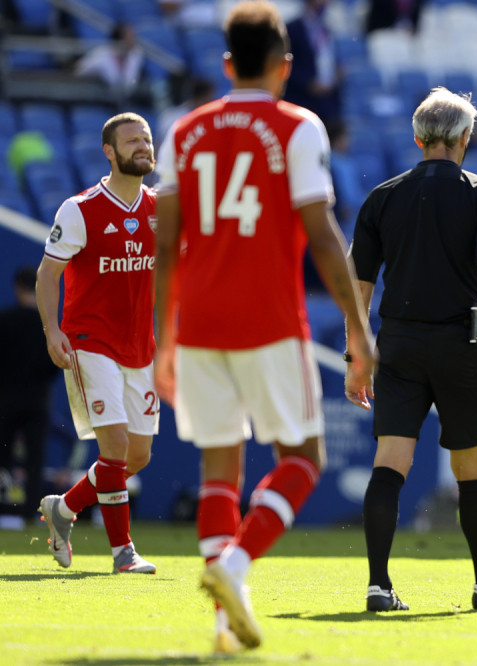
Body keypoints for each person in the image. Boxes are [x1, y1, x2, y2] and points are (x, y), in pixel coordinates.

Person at [153, 1, 376, 652]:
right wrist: (358, 331)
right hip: (271, 320)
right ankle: (236, 566)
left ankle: (225, 623)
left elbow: (166, 248)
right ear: (284, 66)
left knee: (219, 470)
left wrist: (164, 340)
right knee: (303, 459)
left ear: (226, 64)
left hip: (197, 324)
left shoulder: (183, 131)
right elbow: (324, 239)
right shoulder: (298, 126)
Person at [347, 86, 477, 613]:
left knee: (390, 463)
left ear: (417, 136)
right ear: (465, 138)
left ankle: (379, 585)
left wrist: (355, 354)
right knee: (470, 469)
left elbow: (358, 284)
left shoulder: (382, 196)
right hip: (461, 341)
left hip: (398, 342)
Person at [35, 112, 159, 575]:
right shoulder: (80, 208)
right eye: (132, 141)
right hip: (90, 342)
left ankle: (64, 508)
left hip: (139, 345)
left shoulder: (160, 207)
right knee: (116, 448)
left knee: (138, 455)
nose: (143, 146)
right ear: (109, 152)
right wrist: (53, 329)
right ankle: (122, 552)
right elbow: (49, 273)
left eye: (146, 138)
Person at [0, 267, 59, 527]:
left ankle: (3, 509)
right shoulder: (45, 325)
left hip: (6, 401)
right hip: (38, 400)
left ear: (16, 287)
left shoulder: (5, 320)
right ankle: (30, 514)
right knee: (35, 461)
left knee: (3, 458)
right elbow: (55, 363)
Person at [285, 0, 342, 123]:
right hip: (302, 103)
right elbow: (288, 66)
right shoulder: (292, 29)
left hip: (327, 105)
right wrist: (308, 83)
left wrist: (336, 74)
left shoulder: (327, 28)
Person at [74, 23, 148, 106]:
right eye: (130, 36)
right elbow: (79, 70)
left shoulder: (136, 55)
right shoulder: (101, 55)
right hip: (100, 99)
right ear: (120, 39)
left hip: (126, 100)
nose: (134, 39)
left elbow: (131, 83)